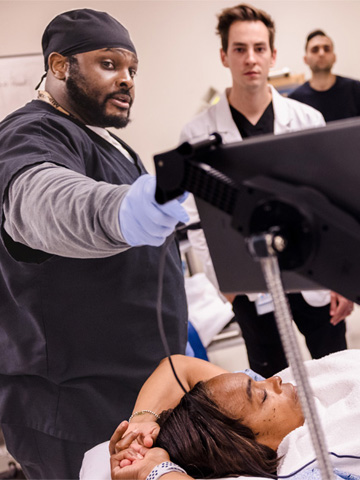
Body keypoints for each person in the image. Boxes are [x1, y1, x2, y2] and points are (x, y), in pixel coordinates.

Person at [0, 9, 190, 480]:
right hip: (72, 406)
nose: (126, 80)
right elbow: (41, 200)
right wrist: (119, 212)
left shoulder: (109, 143)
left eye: (132, 70)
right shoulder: (31, 132)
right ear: (60, 66)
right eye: (109, 64)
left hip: (134, 395)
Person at [179, 3, 353, 378]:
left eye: (259, 48)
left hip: (313, 269)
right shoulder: (196, 134)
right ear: (224, 55)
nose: (250, 59)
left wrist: (342, 275)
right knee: (271, 386)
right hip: (248, 278)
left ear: (273, 55)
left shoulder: (307, 120)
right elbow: (196, 219)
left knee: (336, 371)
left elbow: (331, 204)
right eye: (239, 49)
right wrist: (225, 283)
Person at [109, 351, 360, 480]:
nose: (275, 380)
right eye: (261, 396)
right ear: (245, 447)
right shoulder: (307, 463)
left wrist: (140, 424)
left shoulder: (282, 407)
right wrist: (155, 470)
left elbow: (177, 366)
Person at [288, 30, 360, 122]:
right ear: (305, 59)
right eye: (315, 50)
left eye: (326, 49)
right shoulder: (295, 101)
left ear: (334, 57)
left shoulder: (356, 89)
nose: (321, 53)